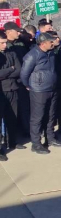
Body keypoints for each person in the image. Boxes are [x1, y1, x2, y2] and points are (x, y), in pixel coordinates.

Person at [19, 32, 61, 154]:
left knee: (51, 115)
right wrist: (28, 85)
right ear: (43, 43)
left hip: (52, 89)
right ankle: (36, 143)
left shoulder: (51, 53)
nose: (53, 43)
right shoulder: (32, 55)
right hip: (39, 90)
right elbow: (24, 74)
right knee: (37, 117)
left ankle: (50, 138)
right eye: (50, 41)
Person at [5, 22, 30, 136]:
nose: (19, 32)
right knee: (11, 112)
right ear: (9, 31)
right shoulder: (5, 46)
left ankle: (27, 130)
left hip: (22, 80)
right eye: (17, 31)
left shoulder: (20, 43)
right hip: (9, 83)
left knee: (25, 107)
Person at [0, 31, 22, 160]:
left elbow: (18, 70)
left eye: (5, 42)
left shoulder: (11, 53)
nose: (4, 45)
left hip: (12, 88)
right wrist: (10, 69)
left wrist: (8, 72)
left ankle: (12, 141)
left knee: (13, 117)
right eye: (2, 43)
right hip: (1, 91)